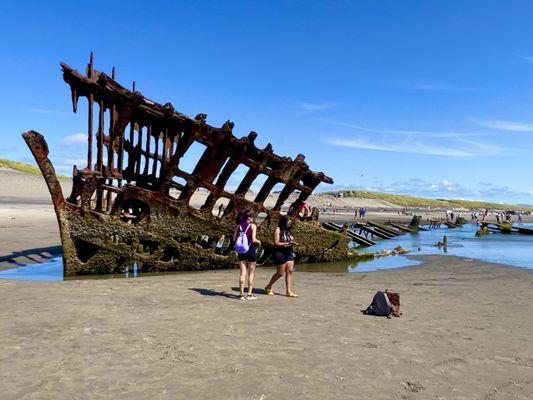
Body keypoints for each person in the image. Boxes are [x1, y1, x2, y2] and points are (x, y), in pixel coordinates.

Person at [265, 215, 299, 298]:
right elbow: (276, 243)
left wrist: (294, 243)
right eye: (288, 221)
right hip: (279, 252)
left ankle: (288, 291)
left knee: (289, 271)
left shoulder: (288, 230)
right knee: (280, 273)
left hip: (289, 252)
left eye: (290, 221)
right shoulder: (278, 230)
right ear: (283, 221)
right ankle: (268, 286)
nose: (290, 223)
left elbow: (289, 240)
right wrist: (288, 243)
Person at [234, 211, 261, 300]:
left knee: (242, 273)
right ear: (249, 218)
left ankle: (241, 294)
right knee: (251, 273)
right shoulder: (253, 226)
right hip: (250, 251)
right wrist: (259, 242)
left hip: (241, 252)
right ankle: (249, 294)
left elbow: (235, 238)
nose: (253, 219)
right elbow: (253, 240)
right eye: (253, 217)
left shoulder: (239, 226)